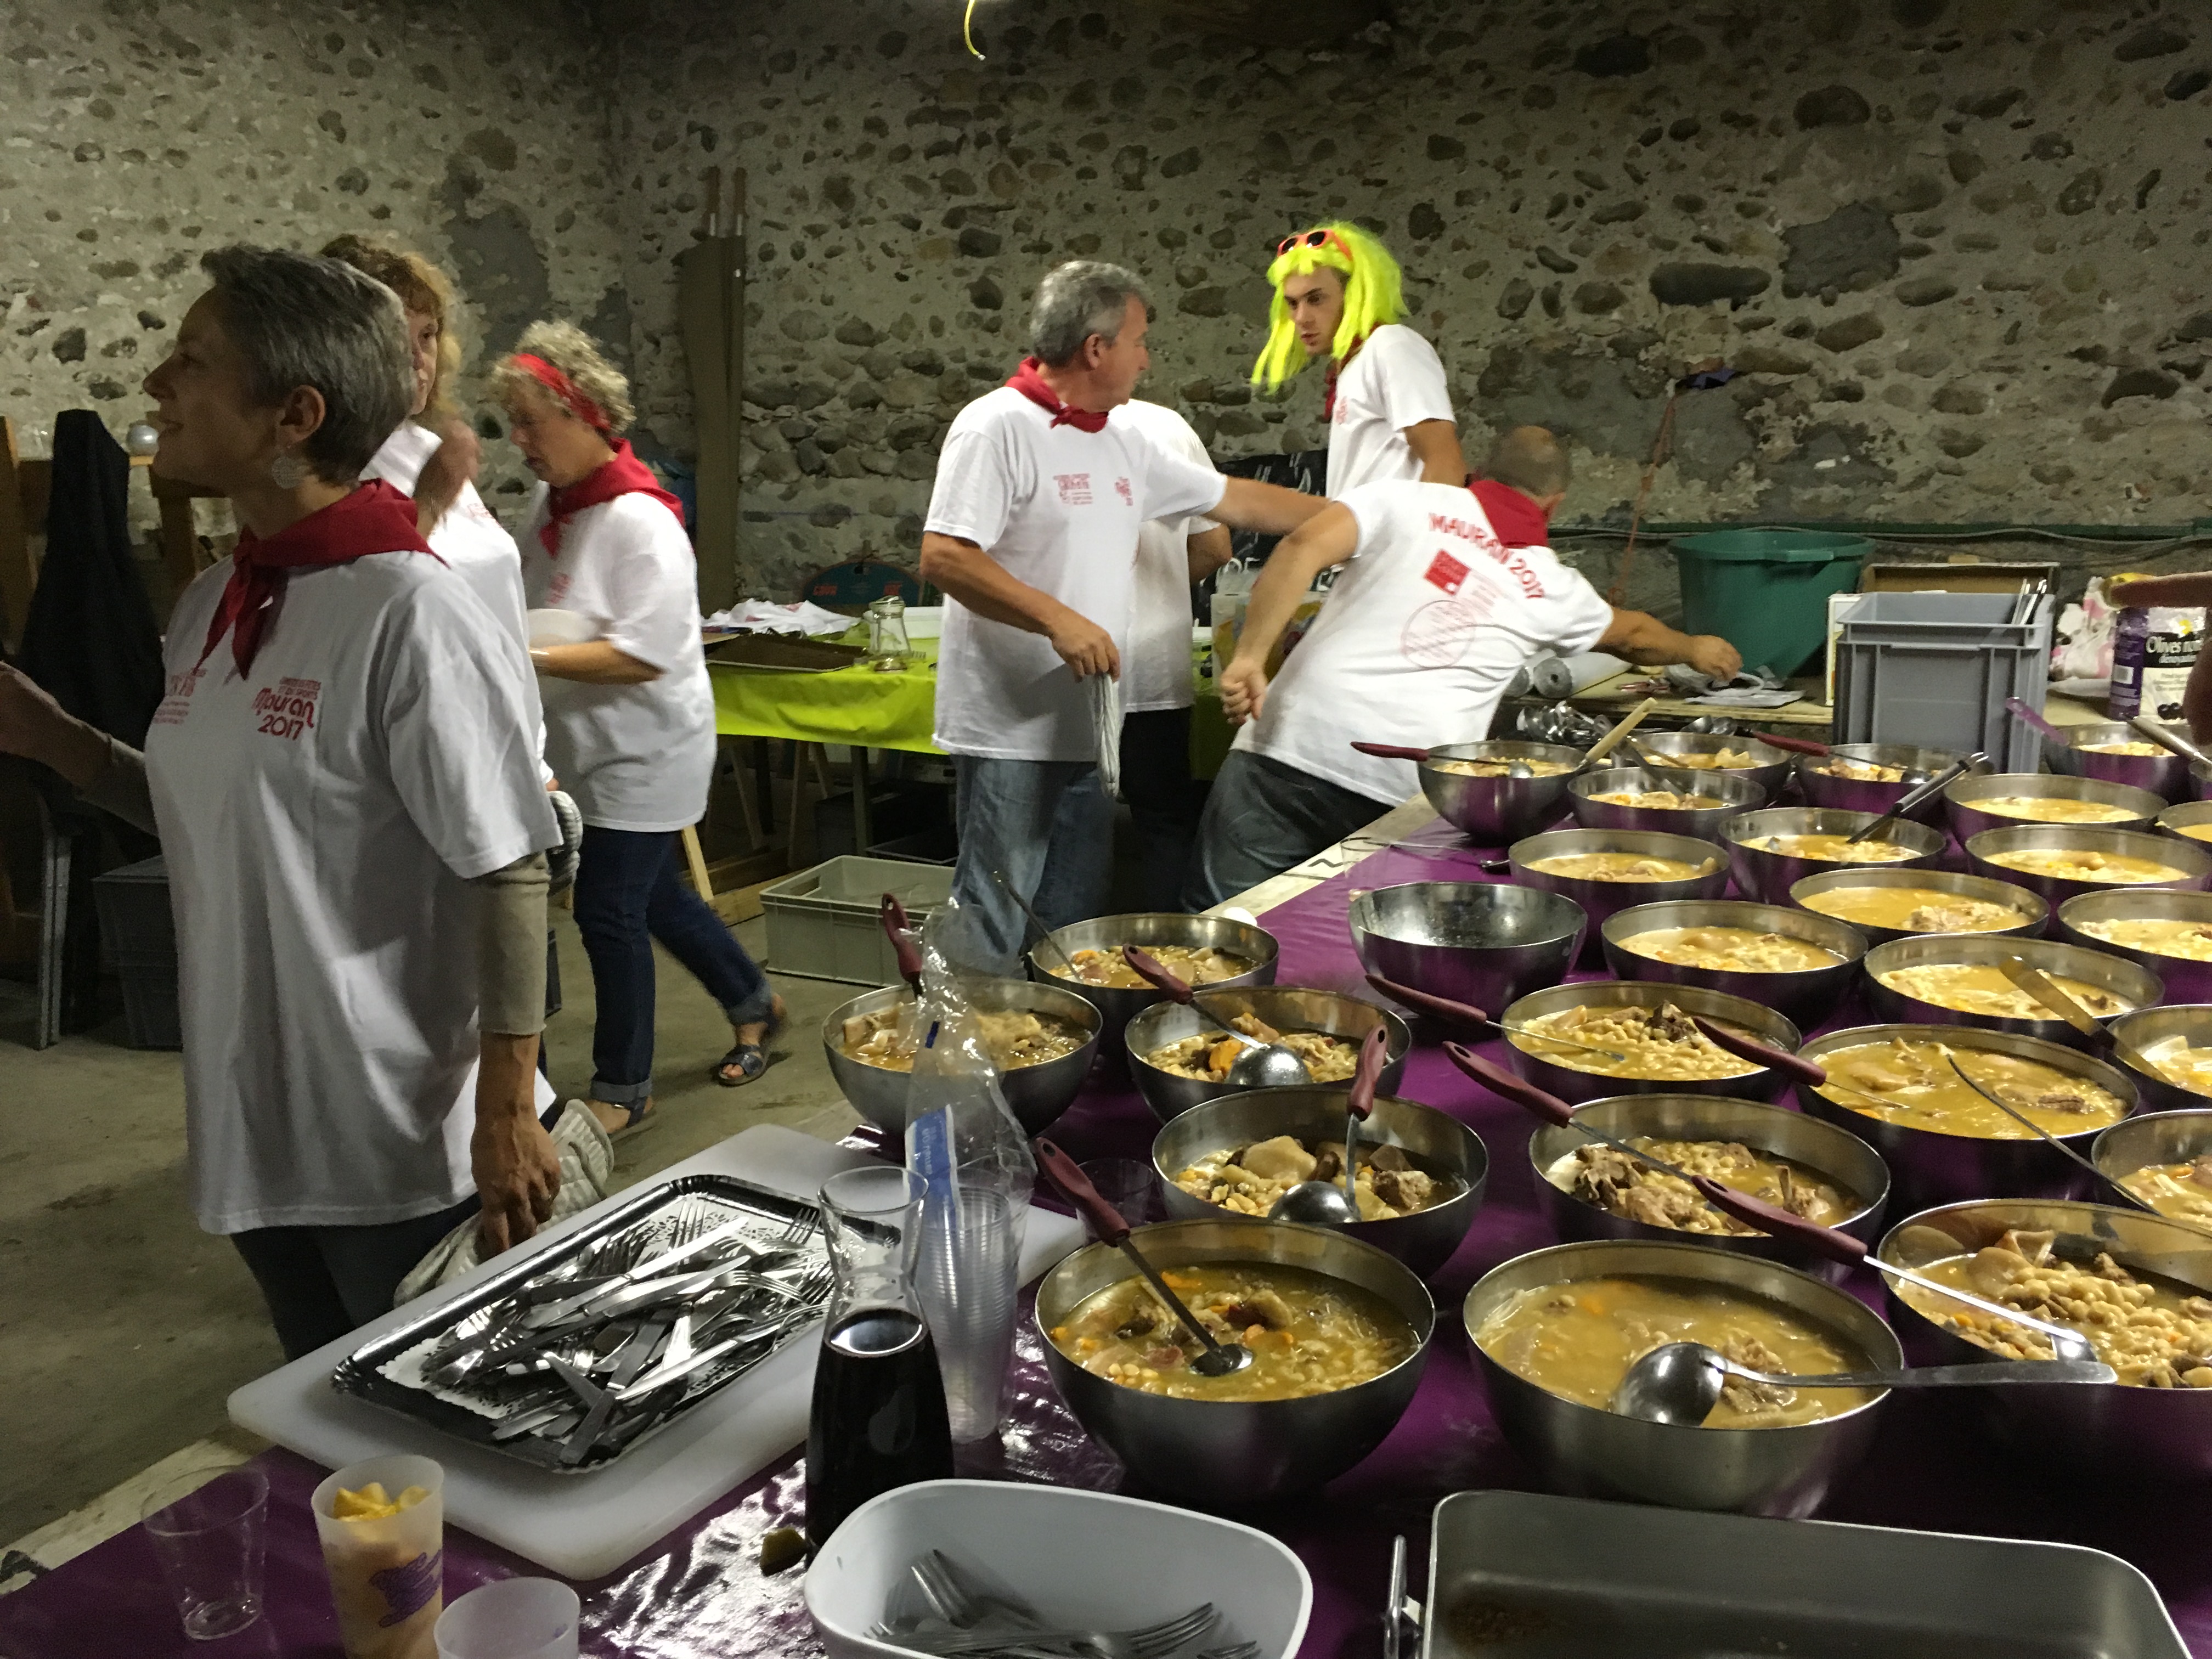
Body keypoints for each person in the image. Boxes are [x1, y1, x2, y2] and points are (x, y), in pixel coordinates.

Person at [0, 246, 562, 1359]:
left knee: (447, 1416)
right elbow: (216, 817)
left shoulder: (410, 614)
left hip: (405, 1136)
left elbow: (507, 865)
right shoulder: (217, 599)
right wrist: (56, 739)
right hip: (258, 1122)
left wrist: (504, 1111)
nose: (157, 382)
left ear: (294, 417)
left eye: (194, 359)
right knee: (326, 1403)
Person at [919, 261, 1327, 970]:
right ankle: (960, 1039)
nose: (1147, 359)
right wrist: (1057, 619)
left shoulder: (1122, 439)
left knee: (1074, 918)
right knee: (993, 909)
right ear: (1096, 348)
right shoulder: (995, 427)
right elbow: (946, 557)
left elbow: (1236, 500)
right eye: (1139, 342)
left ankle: (1051, 1034)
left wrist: (1366, 519)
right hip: (1010, 727)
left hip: (1089, 724)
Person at [1185, 427, 1743, 908]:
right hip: (1404, 783)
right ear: (1554, 505)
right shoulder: (1553, 585)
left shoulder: (1404, 500)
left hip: (1289, 745)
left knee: (1225, 927)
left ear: (1479, 474)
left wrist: (1251, 658)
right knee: (1361, 937)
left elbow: (1301, 545)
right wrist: (1695, 648)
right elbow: (1637, 637)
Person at [497, 321, 783, 1130]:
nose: (519, 441)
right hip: (588, 746)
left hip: (647, 751)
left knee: (607, 909)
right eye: (511, 423)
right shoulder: (553, 508)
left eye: (531, 422)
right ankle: (753, 999)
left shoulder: (639, 521)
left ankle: (625, 1086)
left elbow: (646, 654)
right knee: (654, 897)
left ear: (584, 414)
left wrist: (525, 657)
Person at [320, 234, 526, 648]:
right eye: (396, 339)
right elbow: (357, 604)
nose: (419, 359)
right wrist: (430, 500)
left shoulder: (424, 444)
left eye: (427, 335)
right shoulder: (325, 462)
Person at [1112, 397, 1234, 911]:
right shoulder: (1167, 427)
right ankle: (1169, 946)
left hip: (1064, 668)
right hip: (1154, 664)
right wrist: (1155, 598)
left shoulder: (1025, 420)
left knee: (1063, 827)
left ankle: (1059, 954)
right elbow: (1215, 546)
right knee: (1163, 821)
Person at [1252, 223, 1464, 496]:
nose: (1301, 317)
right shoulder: (1357, 362)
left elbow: (1446, 463)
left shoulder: (1391, 345)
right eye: (1293, 303)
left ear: (1354, 294)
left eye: (1315, 299)